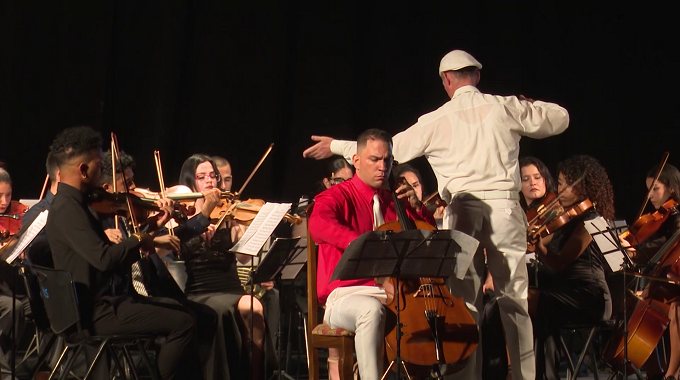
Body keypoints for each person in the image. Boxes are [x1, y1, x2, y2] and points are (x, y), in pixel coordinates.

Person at [303, 49, 570, 379]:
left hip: (464, 211)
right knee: (514, 300)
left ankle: (464, 376)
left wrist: (337, 146)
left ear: (446, 80)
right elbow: (560, 119)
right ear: (477, 77)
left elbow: (389, 150)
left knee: (463, 300)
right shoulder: (505, 106)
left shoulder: (436, 119)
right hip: (504, 207)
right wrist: (530, 106)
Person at [45, 126, 202, 380]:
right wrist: (140, 238)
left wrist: (153, 225)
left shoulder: (77, 204)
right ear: (84, 170)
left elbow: (111, 255)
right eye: (98, 163)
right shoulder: (68, 210)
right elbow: (105, 260)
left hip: (105, 305)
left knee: (184, 312)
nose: (101, 169)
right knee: (183, 323)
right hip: (95, 314)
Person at [308, 129, 434, 380]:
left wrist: (418, 208)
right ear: (356, 161)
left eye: (387, 160)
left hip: (392, 294)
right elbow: (318, 225)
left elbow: (429, 237)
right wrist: (365, 245)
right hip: (345, 295)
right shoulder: (335, 196)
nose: (383, 167)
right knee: (370, 310)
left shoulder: (394, 201)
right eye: (374, 160)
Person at [178, 153, 268, 380]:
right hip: (201, 290)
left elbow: (245, 258)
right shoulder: (181, 216)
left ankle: (253, 375)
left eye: (212, 176)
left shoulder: (229, 213)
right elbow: (178, 248)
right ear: (191, 181)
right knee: (222, 311)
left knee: (256, 309)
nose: (209, 181)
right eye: (201, 177)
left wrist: (246, 226)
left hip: (232, 287)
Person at [528, 155, 614, 380]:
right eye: (559, 183)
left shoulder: (591, 220)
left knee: (528, 299)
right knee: (535, 308)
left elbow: (560, 262)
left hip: (589, 297)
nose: (560, 190)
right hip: (563, 293)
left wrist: (540, 249)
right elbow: (537, 245)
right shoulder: (562, 217)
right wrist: (528, 235)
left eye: (566, 184)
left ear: (584, 187)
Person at [621, 164, 680, 380]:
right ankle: (654, 368)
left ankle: (669, 373)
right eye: (648, 189)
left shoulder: (676, 216)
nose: (650, 195)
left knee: (674, 308)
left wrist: (637, 254)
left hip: (674, 283)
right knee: (636, 303)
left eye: (655, 189)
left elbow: (669, 252)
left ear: (671, 188)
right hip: (669, 281)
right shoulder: (662, 217)